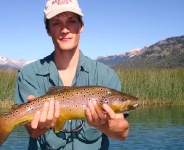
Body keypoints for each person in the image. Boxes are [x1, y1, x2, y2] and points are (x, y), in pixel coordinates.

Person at [14, 0, 130, 149]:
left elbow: (122, 133)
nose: (64, 29)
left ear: (81, 26)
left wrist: (106, 125)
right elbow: (33, 132)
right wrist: (40, 126)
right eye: (56, 23)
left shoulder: (106, 75)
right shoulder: (28, 74)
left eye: (71, 21)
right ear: (48, 30)